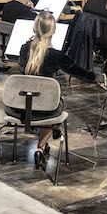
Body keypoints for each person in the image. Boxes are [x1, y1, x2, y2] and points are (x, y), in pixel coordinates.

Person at [15, 11, 96, 166]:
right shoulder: (56, 56)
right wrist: (99, 78)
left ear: (34, 28)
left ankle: (45, 139)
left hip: (21, 105)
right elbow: (82, 74)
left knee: (48, 105)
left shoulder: (24, 48)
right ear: (53, 31)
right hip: (46, 106)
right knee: (56, 106)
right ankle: (40, 147)